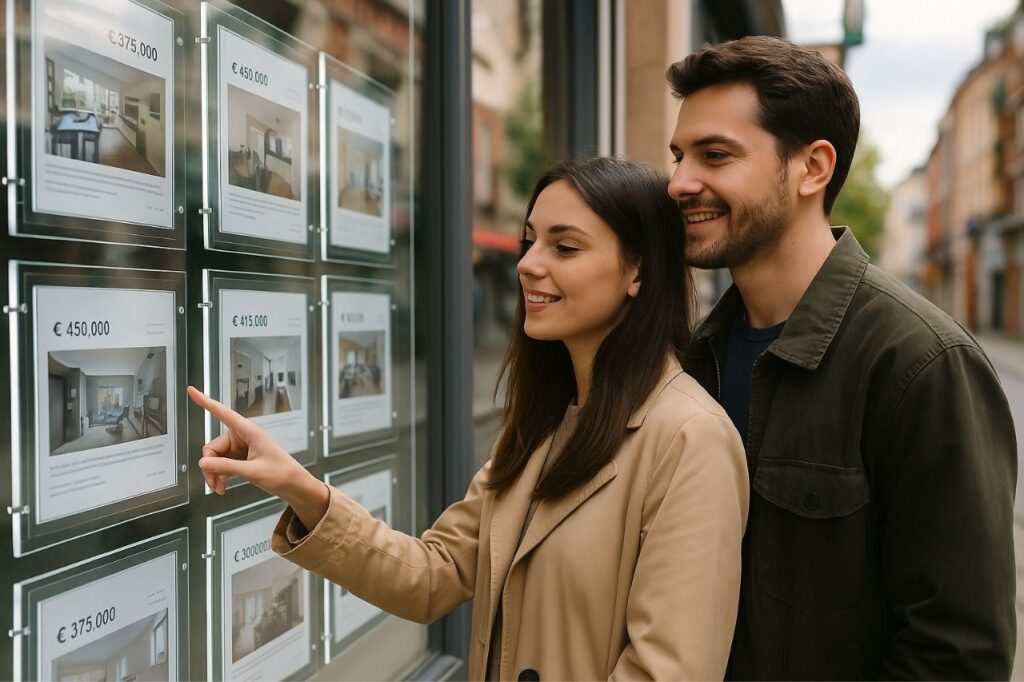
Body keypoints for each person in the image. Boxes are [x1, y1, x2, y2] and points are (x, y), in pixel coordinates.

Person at [189, 158, 749, 680]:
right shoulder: (540, 426)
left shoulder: (689, 439)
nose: (528, 264)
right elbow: (432, 576)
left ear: (637, 274)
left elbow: (668, 670)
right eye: (530, 241)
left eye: (566, 247)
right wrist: (299, 485)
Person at [665, 35, 1017, 679]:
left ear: (813, 168)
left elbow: (957, 656)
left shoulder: (921, 363)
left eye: (715, 155)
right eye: (679, 155)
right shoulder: (690, 357)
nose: (681, 182)